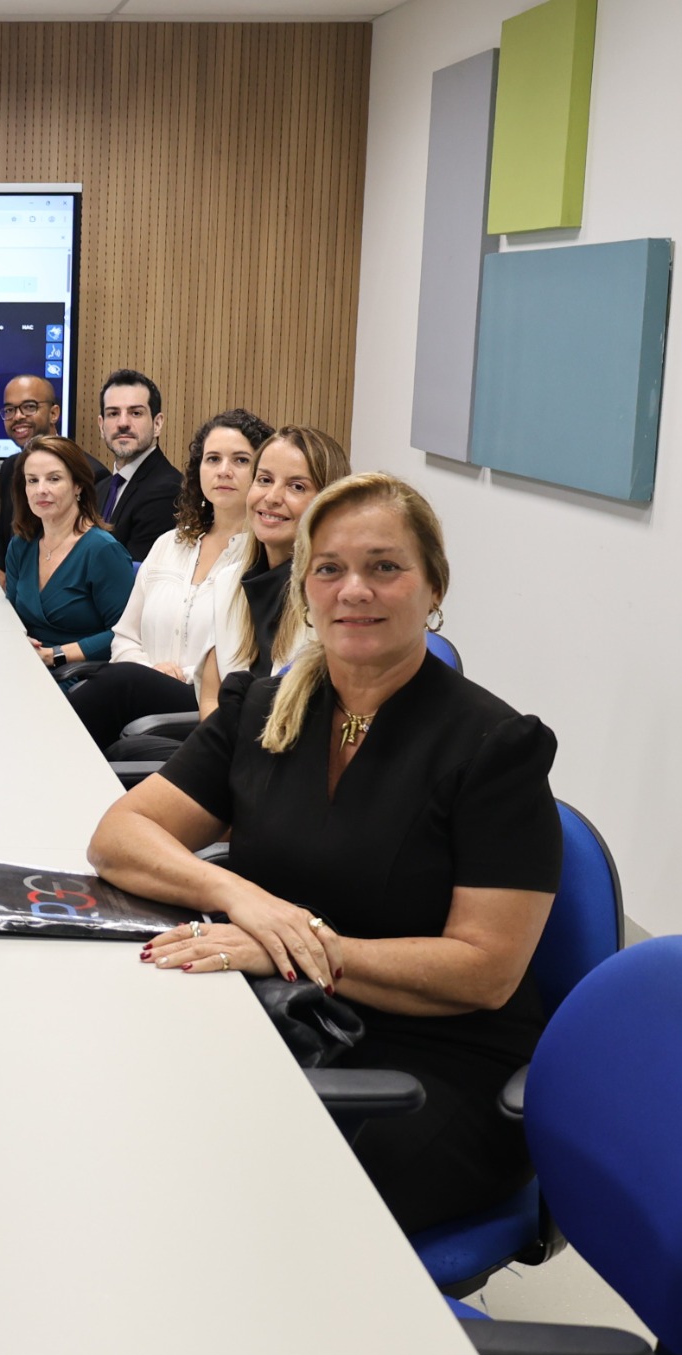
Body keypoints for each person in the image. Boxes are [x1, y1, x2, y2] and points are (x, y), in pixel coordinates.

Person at [87, 474, 560, 1233]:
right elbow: (120, 836)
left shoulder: (494, 747)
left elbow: (487, 969)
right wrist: (250, 903)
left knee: (238, 1206)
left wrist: (300, 947)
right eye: (330, 568)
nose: (355, 591)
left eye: (385, 566)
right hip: (286, 1016)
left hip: (431, 1066)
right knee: (120, 1122)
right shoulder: (267, 707)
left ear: (433, 585)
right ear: (304, 588)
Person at [69, 408, 273, 749]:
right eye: (212, 459)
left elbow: (251, 664)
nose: (223, 471)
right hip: (138, 693)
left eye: (240, 460)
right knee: (122, 682)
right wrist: (150, 670)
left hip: (207, 704)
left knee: (121, 684)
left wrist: (177, 675)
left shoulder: (264, 559)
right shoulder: (170, 544)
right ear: (198, 470)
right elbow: (123, 638)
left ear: (262, 473)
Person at [227, 424, 350, 677]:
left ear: (329, 504)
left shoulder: (338, 601)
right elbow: (210, 694)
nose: (272, 497)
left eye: (297, 487)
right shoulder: (225, 580)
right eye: (264, 480)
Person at [3, 435, 135, 671]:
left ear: (78, 486)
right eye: (32, 480)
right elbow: (12, 618)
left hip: (79, 674)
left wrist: (55, 655)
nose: (40, 490)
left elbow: (125, 634)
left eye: (53, 479)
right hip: (25, 665)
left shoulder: (102, 550)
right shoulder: (20, 546)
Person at [0, 373, 106, 580]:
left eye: (29, 407)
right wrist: (0, 576)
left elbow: (92, 550)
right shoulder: (10, 467)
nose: (17, 417)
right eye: (10, 410)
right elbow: (1, 537)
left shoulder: (91, 473)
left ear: (54, 413)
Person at [89, 369, 188, 563]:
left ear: (157, 424)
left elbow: (131, 579)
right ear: (101, 426)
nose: (123, 423)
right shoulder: (100, 488)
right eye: (113, 413)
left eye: (135, 413)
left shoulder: (168, 490)